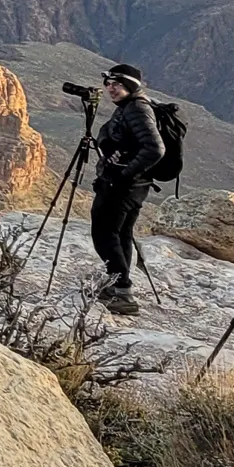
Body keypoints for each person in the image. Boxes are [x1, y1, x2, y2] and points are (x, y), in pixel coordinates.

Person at [91, 63, 167, 314]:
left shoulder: (137, 109)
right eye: (108, 84)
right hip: (131, 185)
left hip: (125, 186)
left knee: (105, 233)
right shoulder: (129, 107)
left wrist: (124, 174)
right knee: (120, 233)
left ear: (130, 87)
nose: (110, 88)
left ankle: (122, 291)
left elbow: (155, 148)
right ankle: (118, 286)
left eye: (117, 84)